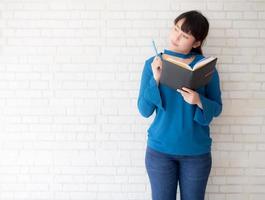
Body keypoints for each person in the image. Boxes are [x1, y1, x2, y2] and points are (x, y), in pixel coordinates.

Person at [137, 10, 222, 200]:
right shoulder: (153, 64)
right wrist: (156, 80)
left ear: (197, 42)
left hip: (196, 153)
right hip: (160, 152)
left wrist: (198, 101)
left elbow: (217, 108)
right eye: (175, 29)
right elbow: (144, 110)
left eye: (185, 35)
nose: (176, 37)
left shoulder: (206, 68)